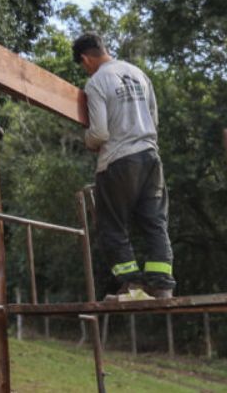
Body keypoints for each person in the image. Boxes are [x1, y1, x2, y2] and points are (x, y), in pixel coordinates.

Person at [74, 32, 176, 299]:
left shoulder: (96, 82)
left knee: (111, 225)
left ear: (85, 59)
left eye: (83, 65)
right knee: (155, 222)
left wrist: (86, 141)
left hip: (119, 161)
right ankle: (162, 285)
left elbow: (99, 134)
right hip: (151, 159)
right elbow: (154, 120)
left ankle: (131, 285)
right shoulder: (138, 73)